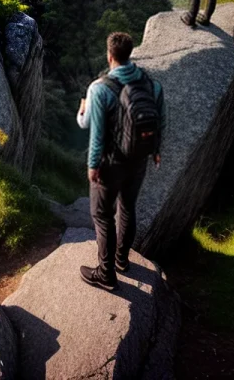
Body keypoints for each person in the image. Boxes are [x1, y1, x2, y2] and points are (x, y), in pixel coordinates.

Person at [77, 32, 165, 291]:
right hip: (138, 159)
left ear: (110, 56)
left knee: (102, 215)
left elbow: (93, 130)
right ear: (130, 54)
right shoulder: (152, 85)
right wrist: (156, 150)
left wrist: (92, 165)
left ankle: (106, 275)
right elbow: (161, 121)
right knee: (127, 208)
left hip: (110, 163)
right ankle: (121, 261)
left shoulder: (99, 88)